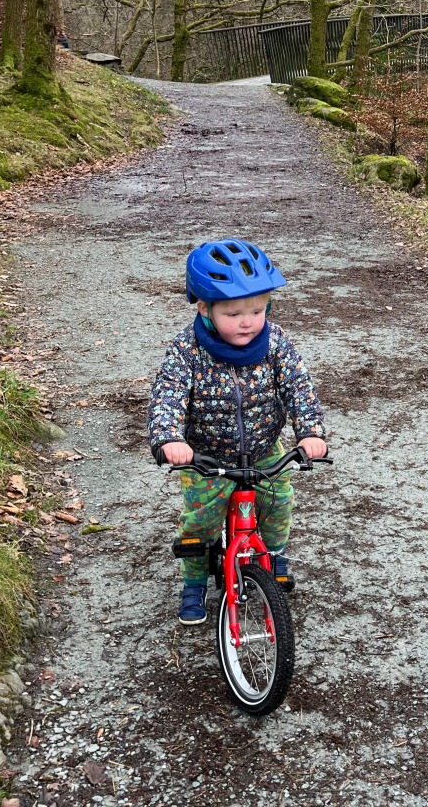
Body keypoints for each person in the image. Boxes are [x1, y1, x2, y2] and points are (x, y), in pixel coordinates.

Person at [147, 238, 327, 625]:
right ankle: (194, 582)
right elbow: (169, 393)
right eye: (233, 313)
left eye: (257, 310)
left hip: (263, 447)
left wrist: (310, 431)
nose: (247, 321)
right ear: (204, 308)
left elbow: (298, 386)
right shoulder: (188, 350)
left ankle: (274, 554)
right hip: (205, 454)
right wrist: (170, 438)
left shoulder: (275, 342)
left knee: (278, 501)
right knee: (202, 521)